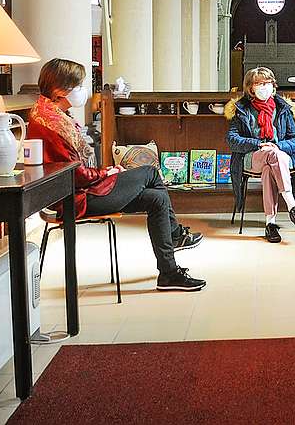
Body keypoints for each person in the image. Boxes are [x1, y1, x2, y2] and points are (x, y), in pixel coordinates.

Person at [27, 59, 206, 292]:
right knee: (150, 172)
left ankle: (169, 272)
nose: (84, 91)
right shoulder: (52, 125)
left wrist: (105, 173)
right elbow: (77, 175)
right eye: (80, 86)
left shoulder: (47, 114)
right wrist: (107, 171)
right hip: (76, 199)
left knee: (157, 199)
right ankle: (174, 236)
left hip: (76, 192)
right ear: (60, 91)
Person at [225, 67, 295, 243]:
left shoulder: (284, 108)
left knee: (270, 167)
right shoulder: (240, 109)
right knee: (271, 154)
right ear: (250, 87)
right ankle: (292, 206)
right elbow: (232, 139)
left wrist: (277, 145)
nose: (264, 86)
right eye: (258, 83)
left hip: (278, 157)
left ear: (273, 85)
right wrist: (258, 144)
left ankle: (270, 224)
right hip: (252, 156)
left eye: (267, 82)